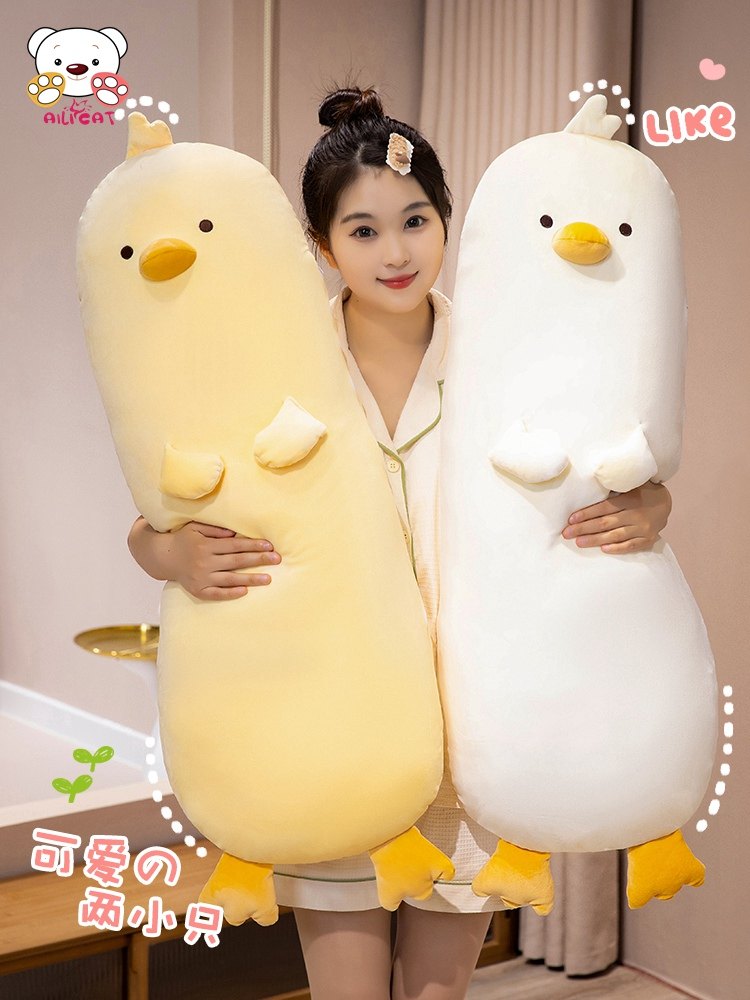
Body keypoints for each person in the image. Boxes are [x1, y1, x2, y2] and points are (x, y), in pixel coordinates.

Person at [128, 87, 673, 1000]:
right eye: (364, 230)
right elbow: (157, 524)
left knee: (438, 992)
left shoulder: (514, 356)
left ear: (447, 222)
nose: (395, 253)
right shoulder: (272, 367)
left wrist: (650, 509)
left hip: (476, 731)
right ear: (321, 245)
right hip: (333, 726)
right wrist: (172, 555)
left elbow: (612, 469)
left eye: (416, 221)